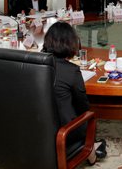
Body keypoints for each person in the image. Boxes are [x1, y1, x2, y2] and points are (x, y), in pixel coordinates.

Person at [42, 21, 107, 164]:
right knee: (88, 117)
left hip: (39, 127)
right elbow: (83, 106)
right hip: (64, 132)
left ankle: (91, 147)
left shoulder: (37, 65)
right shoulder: (71, 71)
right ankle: (90, 151)